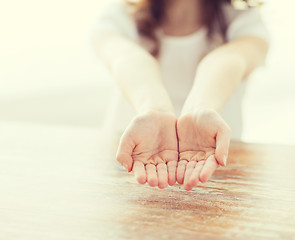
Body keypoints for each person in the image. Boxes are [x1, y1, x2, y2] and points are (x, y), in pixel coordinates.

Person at [92, 0, 269, 191]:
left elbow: (229, 59)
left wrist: (199, 109)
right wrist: (154, 109)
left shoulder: (243, 19)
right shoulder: (121, 13)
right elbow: (127, 58)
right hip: (130, 167)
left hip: (213, 172)